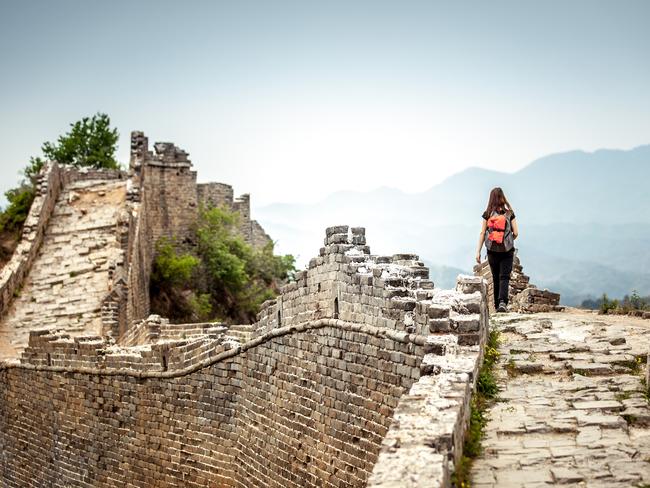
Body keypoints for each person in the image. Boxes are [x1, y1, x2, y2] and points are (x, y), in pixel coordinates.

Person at [475, 187, 519, 312]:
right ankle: (502, 303)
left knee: (495, 277)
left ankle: (496, 305)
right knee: (504, 277)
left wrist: (478, 251)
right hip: (507, 251)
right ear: (503, 197)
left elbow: (483, 233)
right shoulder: (509, 213)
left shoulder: (487, 213)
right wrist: (508, 240)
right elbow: (516, 232)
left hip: (492, 251)